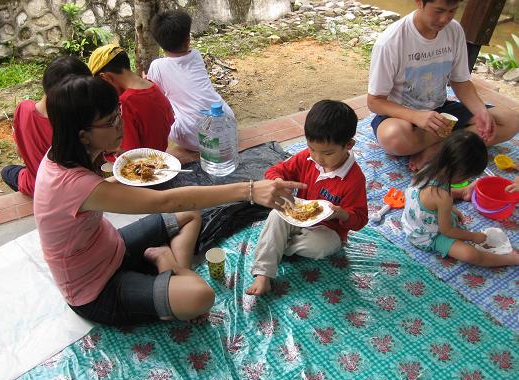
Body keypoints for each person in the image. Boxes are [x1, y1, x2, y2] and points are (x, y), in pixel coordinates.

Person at [33, 75, 304, 326]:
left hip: (111, 247)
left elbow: (111, 193)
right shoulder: (74, 185)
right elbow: (165, 202)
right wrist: (250, 190)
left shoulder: (62, 154)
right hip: (95, 289)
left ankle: (172, 272)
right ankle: (171, 267)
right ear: (83, 134)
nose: (121, 125)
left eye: (119, 113)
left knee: (190, 214)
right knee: (200, 298)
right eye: (110, 121)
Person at [367, 0, 519, 172]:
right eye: (438, 11)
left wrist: (480, 111)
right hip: (403, 116)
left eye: (452, 11)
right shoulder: (391, 42)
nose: (445, 19)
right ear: (419, 2)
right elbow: (375, 102)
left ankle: (438, 149)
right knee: (393, 138)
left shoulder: (454, 30)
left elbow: (460, 81)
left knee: (511, 120)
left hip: (441, 110)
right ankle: (456, 141)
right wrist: (416, 117)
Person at [246, 100, 368, 295]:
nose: (318, 158)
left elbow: (360, 219)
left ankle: (279, 246)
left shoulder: (354, 179)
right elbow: (275, 171)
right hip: (298, 214)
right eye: (312, 149)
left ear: (348, 145)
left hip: (328, 229)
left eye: (327, 153)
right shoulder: (306, 158)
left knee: (322, 246)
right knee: (276, 214)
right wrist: (278, 182)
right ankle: (263, 274)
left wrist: (341, 214)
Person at [401, 130, 519, 267]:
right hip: (424, 235)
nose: (468, 179)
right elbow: (447, 231)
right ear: (460, 172)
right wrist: (473, 236)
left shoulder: (428, 168)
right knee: (471, 255)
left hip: (411, 219)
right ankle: (510, 260)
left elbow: (432, 199)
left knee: (444, 207)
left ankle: (461, 195)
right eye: (468, 176)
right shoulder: (443, 197)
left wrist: (451, 209)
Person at [0, 56, 91, 196]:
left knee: (7, 171)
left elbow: (20, 152)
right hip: (67, 192)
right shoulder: (72, 124)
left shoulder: (23, 108)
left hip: (35, 185)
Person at [146, 10, 235, 152]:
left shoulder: (157, 66)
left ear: (159, 42)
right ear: (187, 39)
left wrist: (147, 81)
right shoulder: (196, 56)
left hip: (192, 137)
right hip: (227, 127)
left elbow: (155, 94)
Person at [87, 44, 174, 153]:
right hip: (161, 154)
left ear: (105, 77)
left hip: (144, 163)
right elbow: (170, 119)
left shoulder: (125, 102)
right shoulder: (153, 86)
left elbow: (130, 152)